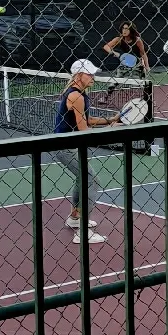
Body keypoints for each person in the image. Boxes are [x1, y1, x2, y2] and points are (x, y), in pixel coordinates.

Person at [50, 59, 120, 245]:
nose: (93, 78)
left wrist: (110, 119)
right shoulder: (76, 97)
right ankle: (82, 231)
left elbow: (86, 120)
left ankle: (74, 217)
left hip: (69, 144)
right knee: (91, 179)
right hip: (65, 146)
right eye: (89, 74)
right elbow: (84, 131)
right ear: (78, 75)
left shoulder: (80, 94)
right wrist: (109, 131)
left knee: (83, 178)